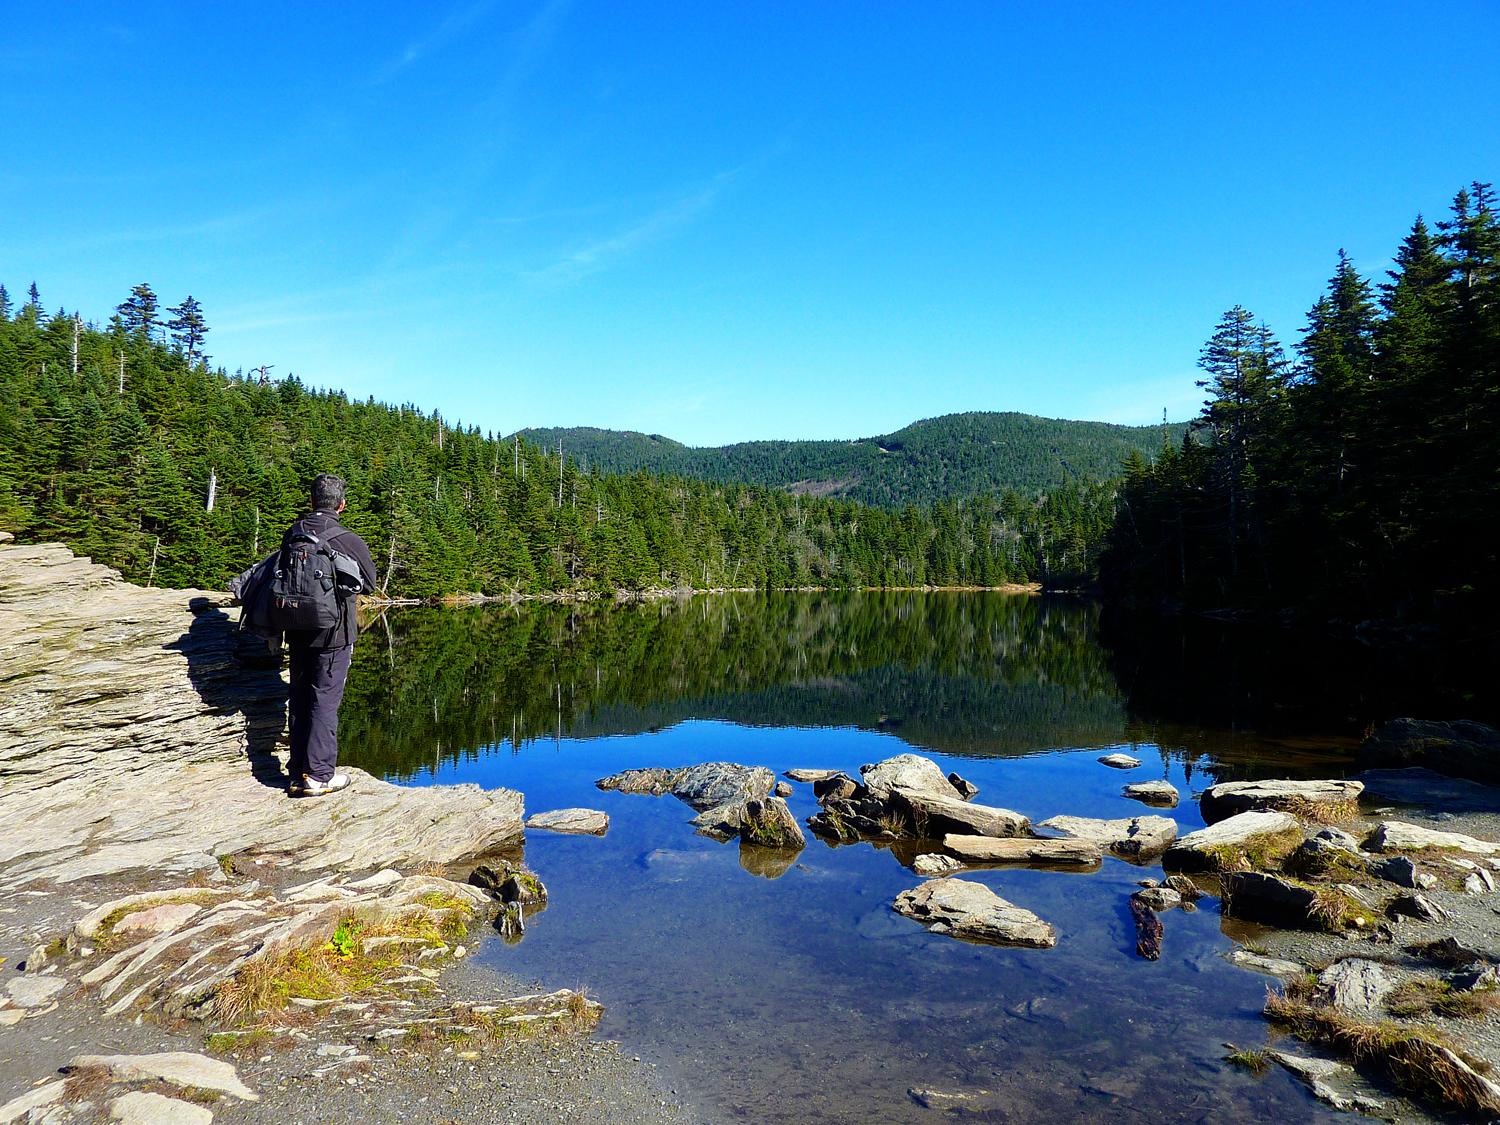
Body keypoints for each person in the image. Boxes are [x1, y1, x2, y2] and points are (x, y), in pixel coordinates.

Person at [282, 473, 377, 797]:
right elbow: (369, 583)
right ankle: (320, 775)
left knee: (299, 697)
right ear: (342, 504)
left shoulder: (293, 533)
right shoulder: (347, 539)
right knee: (324, 701)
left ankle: (298, 772)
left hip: (295, 629)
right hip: (334, 633)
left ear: (311, 501)